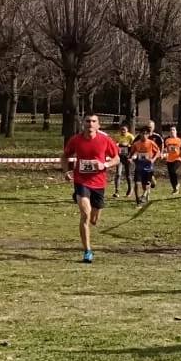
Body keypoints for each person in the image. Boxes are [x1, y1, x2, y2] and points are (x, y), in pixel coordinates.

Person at [60, 112, 121, 263]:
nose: (90, 124)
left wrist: (105, 164)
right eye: (88, 121)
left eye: (94, 121)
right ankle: (87, 251)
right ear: (83, 124)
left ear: (98, 125)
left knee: (94, 219)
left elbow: (117, 158)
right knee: (85, 214)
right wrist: (66, 171)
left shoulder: (105, 140)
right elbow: (64, 156)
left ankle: (86, 205)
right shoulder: (76, 140)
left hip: (99, 183)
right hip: (81, 181)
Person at [130, 121, 160, 205]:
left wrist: (153, 159)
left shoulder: (151, 143)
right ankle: (138, 201)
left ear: (148, 135)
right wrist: (131, 158)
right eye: (142, 133)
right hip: (139, 167)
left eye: (146, 134)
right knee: (137, 184)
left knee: (145, 185)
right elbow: (132, 152)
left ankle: (145, 193)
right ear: (139, 134)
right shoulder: (136, 143)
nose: (144, 135)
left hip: (148, 167)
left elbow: (158, 152)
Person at [113, 121, 135, 198]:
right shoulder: (118, 137)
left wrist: (128, 145)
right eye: (121, 130)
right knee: (118, 174)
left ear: (127, 130)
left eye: (124, 130)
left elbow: (134, 147)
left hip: (127, 157)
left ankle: (129, 190)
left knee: (128, 174)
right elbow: (114, 146)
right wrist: (117, 145)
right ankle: (117, 191)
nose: (122, 131)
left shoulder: (131, 137)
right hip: (119, 157)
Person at [162, 126, 181, 192]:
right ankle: (175, 188)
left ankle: (177, 184)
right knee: (171, 174)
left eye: (173, 130)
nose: (172, 131)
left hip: (177, 158)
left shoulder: (180, 140)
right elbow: (165, 149)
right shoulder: (167, 140)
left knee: (173, 171)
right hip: (169, 159)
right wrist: (164, 154)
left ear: (176, 131)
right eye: (171, 130)